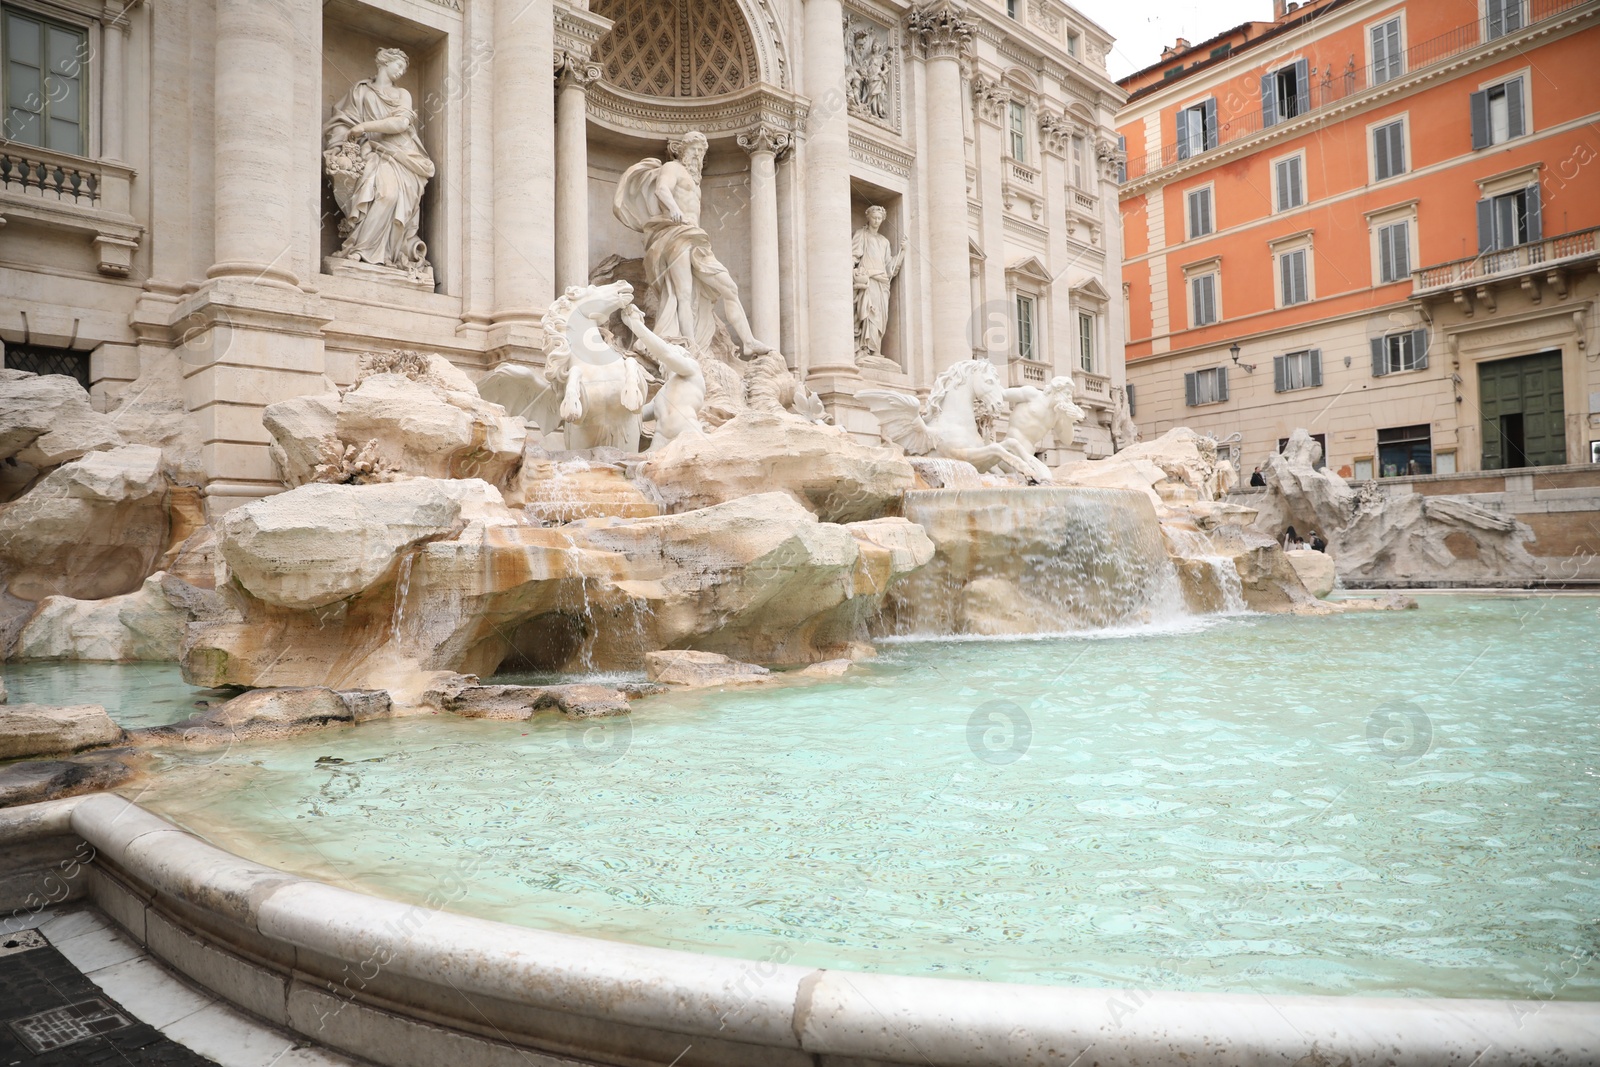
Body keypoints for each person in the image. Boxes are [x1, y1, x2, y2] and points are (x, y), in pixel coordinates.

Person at [612, 131, 772, 357]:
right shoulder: (673, 168)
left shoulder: (695, 179)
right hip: (676, 235)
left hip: (696, 238)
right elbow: (662, 189)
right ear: (682, 150)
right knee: (683, 293)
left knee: (729, 287)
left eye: (701, 151)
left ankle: (748, 341)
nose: (698, 155)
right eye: (694, 150)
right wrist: (674, 209)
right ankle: (691, 345)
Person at [323, 48, 436, 272]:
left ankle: (385, 254)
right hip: (371, 151)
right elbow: (343, 121)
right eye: (399, 65)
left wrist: (364, 126)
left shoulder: (402, 94)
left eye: (405, 68)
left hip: (402, 153)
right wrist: (349, 139)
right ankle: (360, 250)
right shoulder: (361, 91)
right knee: (379, 193)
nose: (401, 71)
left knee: (390, 194)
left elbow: (400, 124)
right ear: (385, 62)